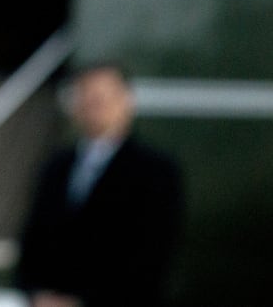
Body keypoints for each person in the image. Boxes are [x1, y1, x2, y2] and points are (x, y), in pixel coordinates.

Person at [15, 62, 183, 307]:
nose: (95, 105)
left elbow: (151, 255)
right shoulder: (56, 167)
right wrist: (37, 294)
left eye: (103, 97)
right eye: (88, 97)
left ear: (126, 101)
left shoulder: (155, 170)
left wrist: (82, 301)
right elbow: (33, 242)